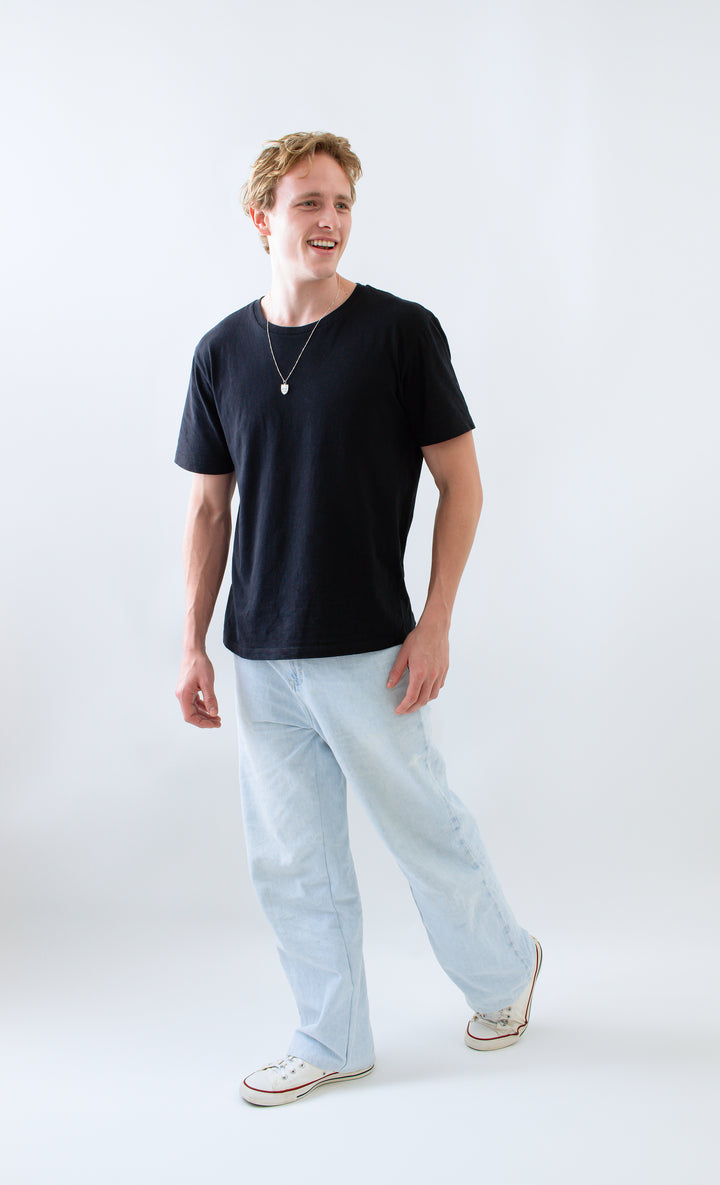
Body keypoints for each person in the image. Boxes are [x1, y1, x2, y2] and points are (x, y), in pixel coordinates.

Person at [174, 131, 541, 1108]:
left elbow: (461, 484)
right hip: (260, 651)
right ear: (262, 218)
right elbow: (209, 509)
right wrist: (193, 645)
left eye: (340, 203)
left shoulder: (399, 333)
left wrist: (438, 621)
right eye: (308, 202)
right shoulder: (221, 351)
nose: (329, 220)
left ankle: (506, 972)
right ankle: (330, 1035)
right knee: (292, 859)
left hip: (372, 646)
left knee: (424, 830)